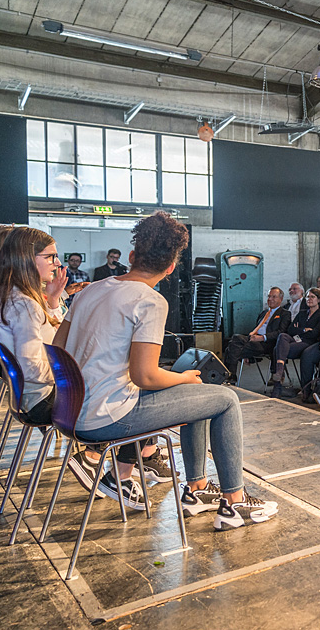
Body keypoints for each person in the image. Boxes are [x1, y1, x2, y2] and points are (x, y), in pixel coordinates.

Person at [55, 213, 277, 530]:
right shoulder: (150, 301)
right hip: (107, 418)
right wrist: (184, 377)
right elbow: (144, 376)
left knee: (202, 398)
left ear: (131, 256)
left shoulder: (89, 291)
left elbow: (59, 349)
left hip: (70, 410)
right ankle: (235, 500)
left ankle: (197, 490)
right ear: (170, 267)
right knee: (225, 399)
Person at [0, 227, 66, 426]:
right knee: (120, 390)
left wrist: (54, 299)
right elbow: (30, 367)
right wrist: (69, 375)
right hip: (43, 401)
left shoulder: (6, 296)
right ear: (28, 258)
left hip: (28, 398)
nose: (57, 263)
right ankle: (100, 454)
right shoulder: (24, 304)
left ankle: (94, 454)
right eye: (50, 257)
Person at [223, 287, 292, 378]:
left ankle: (228, 376)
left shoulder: (285, 314)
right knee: (232, 344)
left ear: (281, 299)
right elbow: (256, 328)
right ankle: (230, 376)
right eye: (269, 296)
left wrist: (263, 337)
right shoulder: (263, 313)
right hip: (253, 340)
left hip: (267, 343)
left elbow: (281, 332)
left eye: (274, 297)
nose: (270, 299)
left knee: (233, 344)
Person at [270, 287, 320, 397]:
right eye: (308, 297)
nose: (309, 299)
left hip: (308, 343)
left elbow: (315, 333)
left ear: (319, 299)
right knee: (282, 336)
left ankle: (277, 386)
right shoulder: (302, 313)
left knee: (278, 349)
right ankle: (280, 371)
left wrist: (300, 330)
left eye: (312, 297)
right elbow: (290, 329)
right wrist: (305, 330)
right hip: (296, 339)